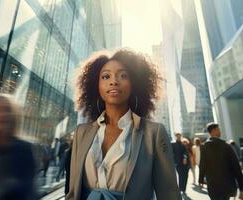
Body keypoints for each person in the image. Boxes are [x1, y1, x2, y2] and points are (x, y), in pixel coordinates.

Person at [66, 49, 181, 200]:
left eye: (123, 75)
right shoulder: (82, 132)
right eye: (106, 76)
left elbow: (169, 193)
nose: (114, 81)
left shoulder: (154, 133)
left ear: (134, 83)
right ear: (96, 85)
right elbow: (73, 192)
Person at [199, 122, 243, 200]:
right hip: (226, 185)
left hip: (213, 186)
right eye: (218, 129)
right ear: (213, 131)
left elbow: (202, 164)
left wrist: (201, 179)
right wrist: (241, 187)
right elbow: (236, 167)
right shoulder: (226, 146)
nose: (220, 131)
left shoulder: (204, 146)